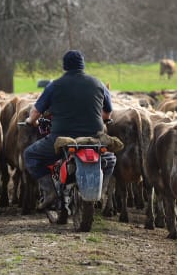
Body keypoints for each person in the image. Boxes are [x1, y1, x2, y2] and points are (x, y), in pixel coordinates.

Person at [23, 50, 115, 210]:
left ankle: (49, 191)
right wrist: (102, 119)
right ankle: (102, 190)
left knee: (30, 155)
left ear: (65, 66)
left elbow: (36, 111)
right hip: (94, 138)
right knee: (110, 159)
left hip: (62, 138)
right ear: (83, 65)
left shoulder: (55, 85)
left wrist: (31, 121)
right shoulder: (98, 83)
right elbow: (107, 112)